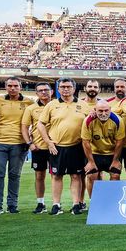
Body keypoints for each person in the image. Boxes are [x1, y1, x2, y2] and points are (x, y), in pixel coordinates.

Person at [36, 78, 91, 215]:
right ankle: (56, 204)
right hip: (57, 146)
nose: (65, 89)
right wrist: (48, 142)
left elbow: (91, 123)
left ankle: (76, 204)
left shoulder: (83, 105)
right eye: (62, 87)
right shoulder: (52, 105)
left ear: (74, 88)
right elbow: (40, 124)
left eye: (68, 87)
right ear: (58, 89)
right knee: (56, 176)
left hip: (76, 146)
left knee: (76, 176)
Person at [0, 76, 31, 215]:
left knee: (14, 175)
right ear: (5, 87)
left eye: (15, 86)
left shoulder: (29, 102)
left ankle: (12, 205)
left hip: (19, 144)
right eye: (10, 86)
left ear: (20, 87)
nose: (13, 88)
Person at [82, 100, 125, 199]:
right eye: (100, 111)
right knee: (92, 176)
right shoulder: (88, 120)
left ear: (110, 110)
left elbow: (119, 142)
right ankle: (94, 203)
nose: (103, 113)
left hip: (112, 152)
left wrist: (115, 160)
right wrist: (90, 162)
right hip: (95, 152)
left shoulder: (117, 120)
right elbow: (85, 142)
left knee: (115, 176)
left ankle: (113, 202)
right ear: (95, 110)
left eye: (106, 110)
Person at [21, 82, 53, 213]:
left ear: (51, 91)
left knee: (57, 176)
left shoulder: (58, 106)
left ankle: (57, 203)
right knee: (39, 175)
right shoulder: (31, 109)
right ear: (36, 93)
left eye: (46, 90)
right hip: (39, 148)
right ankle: (41, 203)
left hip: (56, 147)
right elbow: (24, 127)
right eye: (41, 90)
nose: (44, 92)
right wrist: (29, 143)